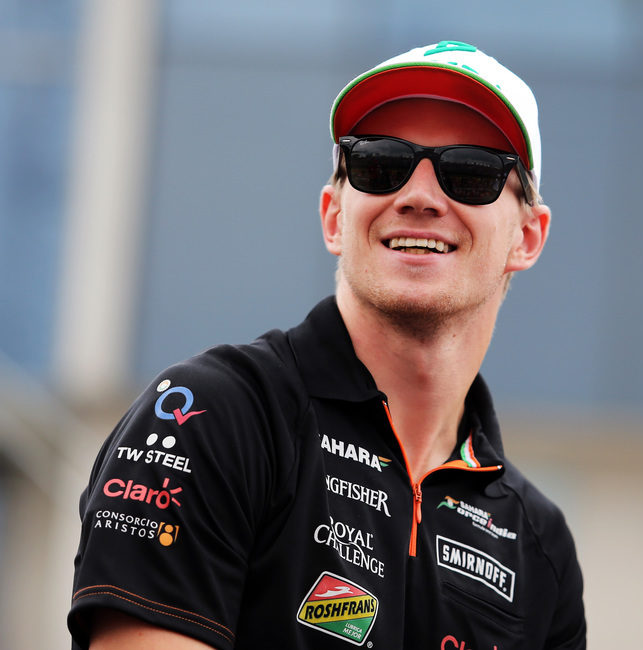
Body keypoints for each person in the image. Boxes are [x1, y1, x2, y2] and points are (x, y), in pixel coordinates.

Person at [68, 40, 586, 649]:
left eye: (470, 171)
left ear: (527, 236)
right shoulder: (212, 417)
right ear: (335, 216)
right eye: (379, 165)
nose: (418, 196)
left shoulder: (540, 545)